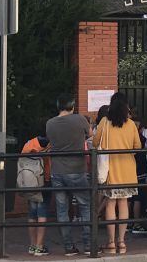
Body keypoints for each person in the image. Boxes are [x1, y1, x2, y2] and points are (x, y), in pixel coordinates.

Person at [93, 92, 141, 255]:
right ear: (126, 107)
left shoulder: (105, 122)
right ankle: (122, 242)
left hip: (110, 170)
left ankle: (111, 243)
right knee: (124, 204)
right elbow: (138, 146)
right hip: (128, 169)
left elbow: (95, 142)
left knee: (111, 204)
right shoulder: (131, 125)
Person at [46, 93, 93, 256]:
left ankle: (68, 247)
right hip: (77, 169)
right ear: (72, 106)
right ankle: (88, 245)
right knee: (85, 206)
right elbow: (91, 137)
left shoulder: (50, 123)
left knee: (62, 210)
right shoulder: (80, 119)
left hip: (57, 171)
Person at [20, 131, 51, 256]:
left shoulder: (28, 144)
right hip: (44, 181)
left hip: (29, 182)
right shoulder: (50, 145)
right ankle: (39, 246)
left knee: (32, 213)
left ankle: (32, 245)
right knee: (42, 212)